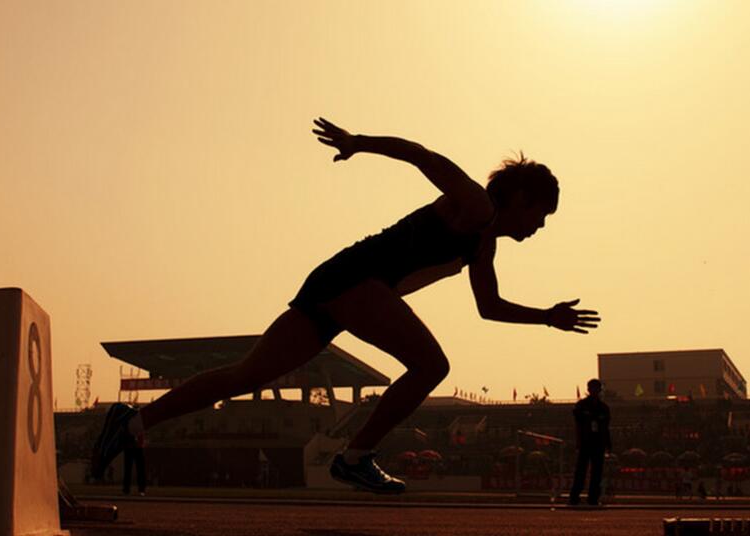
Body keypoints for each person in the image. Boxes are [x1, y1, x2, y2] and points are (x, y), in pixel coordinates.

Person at [91, 118, 601, 494]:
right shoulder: (476, 204)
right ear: (520, 198)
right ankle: (355, 456)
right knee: (431, 365)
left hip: (338, 285)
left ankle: (134, 421)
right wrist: (360, 144)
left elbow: (488, 308)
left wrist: (547, 316)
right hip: (356, 280)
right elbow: (422, 154)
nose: (540, 226)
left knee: (245, 376)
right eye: (541, 213)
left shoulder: (482, 245)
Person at [569, 379, 611, 506]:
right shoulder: (581, 406)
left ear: (600, 390)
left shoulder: (603, 408)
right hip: (585, 442)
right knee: (581, 471)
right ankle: (574, 497)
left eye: (597, 389)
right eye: (592, 389)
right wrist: (578, 441)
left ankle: (593, 498)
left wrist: (608, 444)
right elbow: (577, 424)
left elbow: (605, 427)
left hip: (598, 443)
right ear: (588, 389)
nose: (594, 391)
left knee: (597, 472)